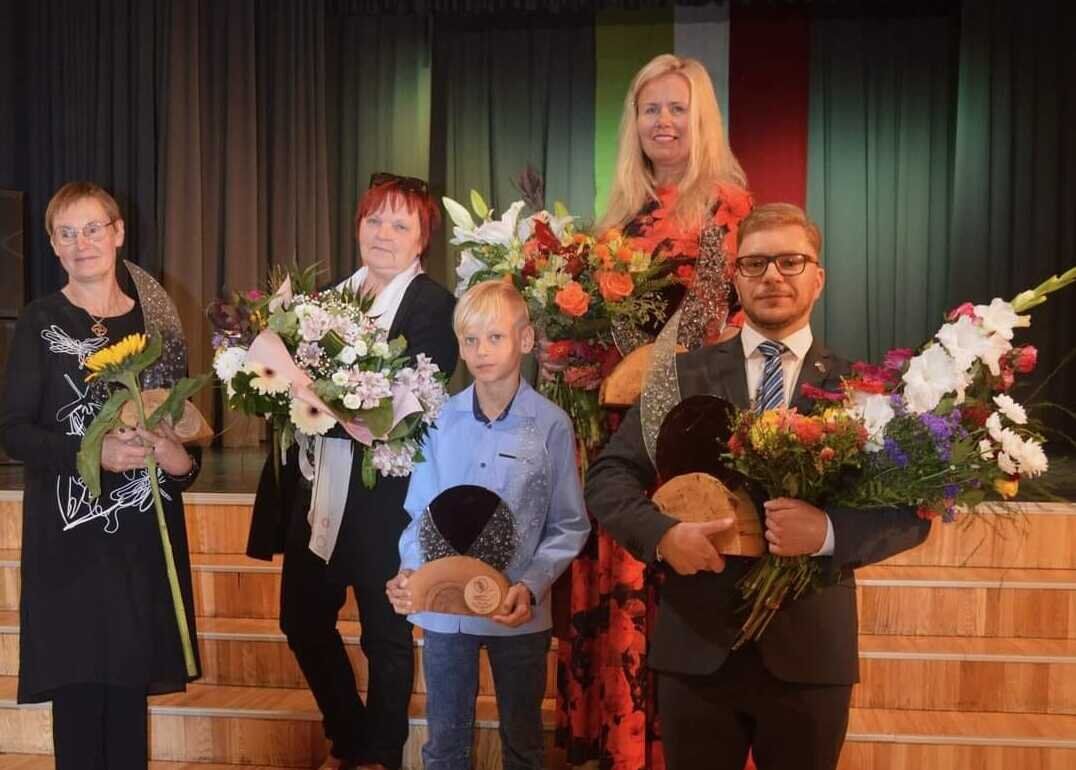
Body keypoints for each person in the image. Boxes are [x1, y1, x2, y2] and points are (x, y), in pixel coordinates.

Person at [584, 204, 933, 770]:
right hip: (696, 646)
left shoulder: (861, 389)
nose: (773, 275)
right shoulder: (681, 374)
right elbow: (609, 476)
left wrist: (824, 532)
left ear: (818, 277)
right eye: (755, 263)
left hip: (810, 653)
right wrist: (663, 534)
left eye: (790, 261)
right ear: (735, 279)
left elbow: (911, 512)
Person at [555, 53, 752, 770]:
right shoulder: (617, 218)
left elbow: (709, 312)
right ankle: (620, 745)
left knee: (674, 588)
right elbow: (605, 325)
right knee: (618, 580)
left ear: (701, 120)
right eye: (650, 110)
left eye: (677, 109)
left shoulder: (727, 206)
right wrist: (573, 352)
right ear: (633, 124)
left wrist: (650, 370)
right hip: (617, 431)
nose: (663, 122)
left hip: (684, 430)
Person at [245, 173, 459, 770]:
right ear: (357, 225)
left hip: (384, 494)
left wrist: (324, 401)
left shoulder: (432, 304)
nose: (383, 234)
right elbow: (282, 383)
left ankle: (381, 753)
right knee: (301, 620)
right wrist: (275, 386)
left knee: (384, 635)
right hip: (318, 488)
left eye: (400, 224)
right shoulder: (324, 301)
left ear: (422, 239)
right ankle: (351, 735)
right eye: (374, 220)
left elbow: (421, 392)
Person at [0, 181, 202, 770]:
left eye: (93, 228)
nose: (82, 242)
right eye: (67, 232)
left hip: (142, 538)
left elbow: (183, 436)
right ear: (53, 246)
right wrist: (92, 455)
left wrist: (179, 461)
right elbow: (13, 432)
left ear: (117, 233)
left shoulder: (154, 322)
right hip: (70, 543)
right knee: (81, 698)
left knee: (127, 696)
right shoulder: (41, 321)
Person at [386, 280, 590, 770]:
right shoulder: (437, 421)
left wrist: (532, 585)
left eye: (494, 337)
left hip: (517, 611)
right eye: (470, 340)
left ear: (524, 340)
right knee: (444, 745)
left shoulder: (551, 425)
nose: (481, 351)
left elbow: (569, 524)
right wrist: (410, 571)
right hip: (443, 612)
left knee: (524, 743)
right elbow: (419, 512)